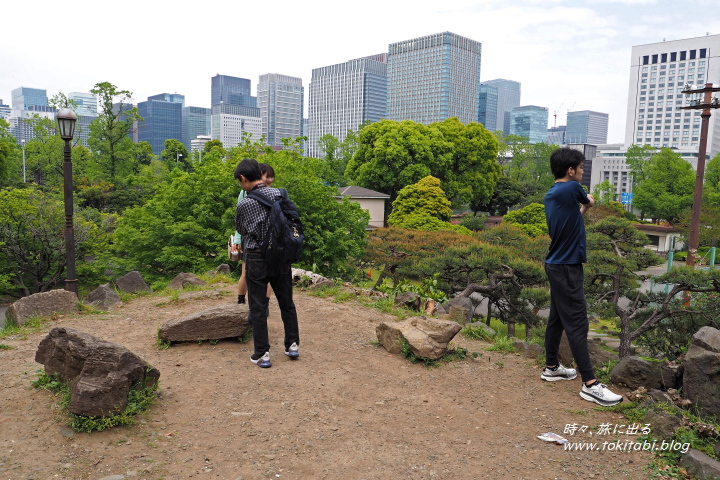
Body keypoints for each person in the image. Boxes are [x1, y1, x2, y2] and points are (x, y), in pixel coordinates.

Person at [541, 147, 623, 407]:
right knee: (577, 322)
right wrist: (589, 199)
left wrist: (584, 206)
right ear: (570, 170)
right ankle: (590, 384)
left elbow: (576, 216)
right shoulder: (570, 189)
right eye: (581, 168)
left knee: (557, 319)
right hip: (567, 267)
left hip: (557, 264)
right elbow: (588, 199)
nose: (582, 171)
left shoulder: (553, 194)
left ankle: (552, 367)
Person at [234, 158, 300, 368]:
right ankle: (293, 345)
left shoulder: (245, 203)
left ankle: (262, 354)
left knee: (258, 305)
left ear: (244, 179)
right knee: (286, 302)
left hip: (256, 257)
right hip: (281, 256)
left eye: (239, 182)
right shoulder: (281, 193)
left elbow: (242, 230)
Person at [233, 163, 275, 308]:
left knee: (268, 277)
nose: (268, 180)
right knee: (245, 273)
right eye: (265, 176)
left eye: (271, 176)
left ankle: (265, 304)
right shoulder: (244, 194)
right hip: (250, 241)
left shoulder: (274, 193)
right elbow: (240, 222)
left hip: (269, 241)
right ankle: (240, 301)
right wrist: (237, 239)